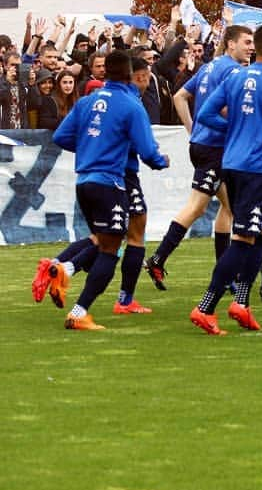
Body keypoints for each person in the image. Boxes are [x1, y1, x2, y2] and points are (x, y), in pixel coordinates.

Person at [36, 51, 169, 330]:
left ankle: (64, 268)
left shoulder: (86, 102)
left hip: (84, 182)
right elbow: (148, 152)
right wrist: (162, 161)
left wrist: (88, 148)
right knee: (111, 249)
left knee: (101, 241)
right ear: (130, 73)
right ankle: (79, 310)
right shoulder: (131, 106)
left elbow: (60, 136)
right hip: (111, 183)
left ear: (105, 72)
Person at [189, 24, 262, 335]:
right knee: (243, 239)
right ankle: (206, 307)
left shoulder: (236, 76)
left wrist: (236, 128)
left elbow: (206, 115)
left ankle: (242, 302)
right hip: (257, 167)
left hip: (233, 162)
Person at [143, 25, 253, 288]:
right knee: (196, 207)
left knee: (229, 208)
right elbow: (227, 109)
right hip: (215, 148)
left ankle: (224, 274)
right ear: (230, 44)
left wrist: (193, 130)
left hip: (204, 144)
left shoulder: (209, 67)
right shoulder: (233, 70)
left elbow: (181, 97)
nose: (251, 47)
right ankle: (158, 259)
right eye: (246, 42)